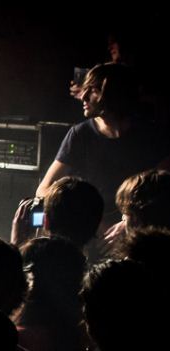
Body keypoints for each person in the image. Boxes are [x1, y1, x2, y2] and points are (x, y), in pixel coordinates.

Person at [37, 63, 170, 251]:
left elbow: (164, 191)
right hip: (94, 238)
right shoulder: (80, 135)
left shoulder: (150, 134)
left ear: (112, 94)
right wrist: (94, 223)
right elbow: (44, 189)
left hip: (141, 236)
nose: (82, 96)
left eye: (92, 90)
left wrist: (128, 223)